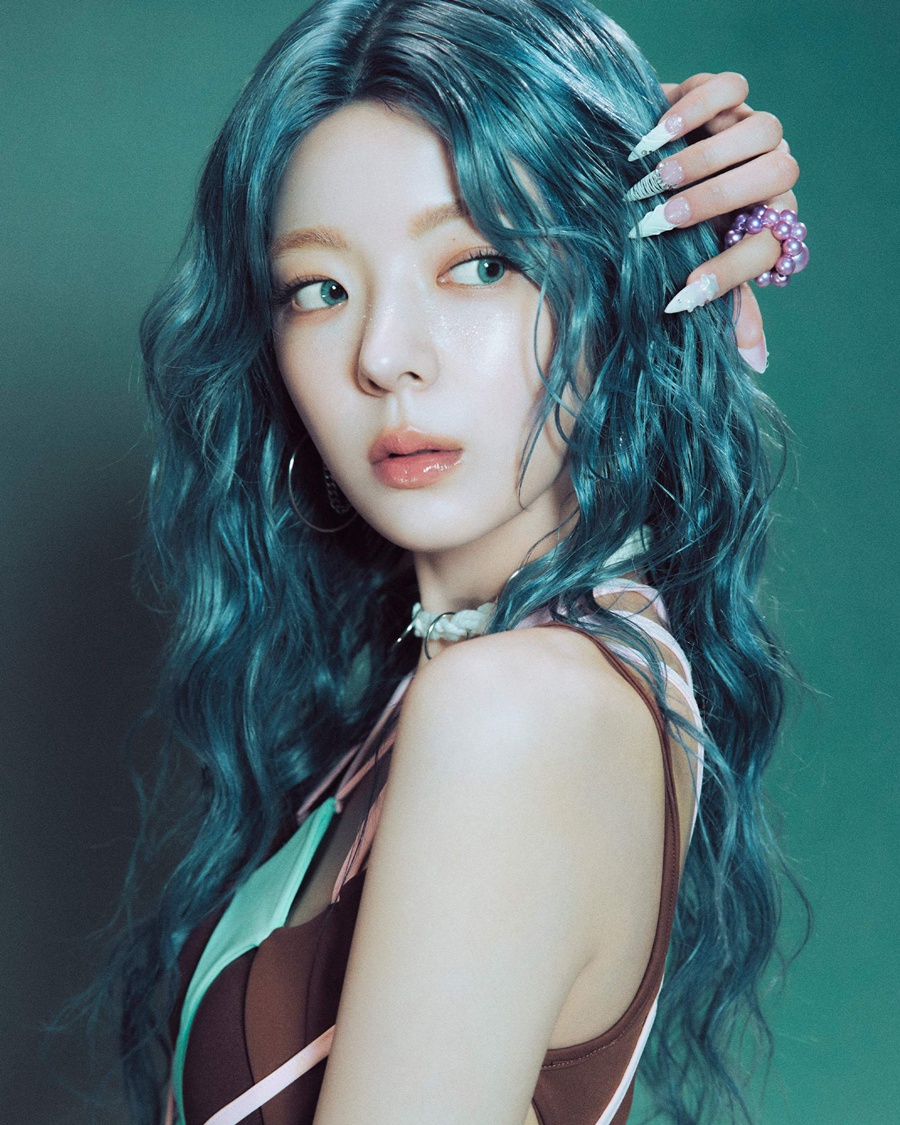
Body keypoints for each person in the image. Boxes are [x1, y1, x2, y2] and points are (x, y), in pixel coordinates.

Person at [90, 1, 805, 1122]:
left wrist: (647, 181)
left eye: (480, 264)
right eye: (319, 289)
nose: (384, 356)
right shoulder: (461, 675)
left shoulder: (513, 708)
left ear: (610, 288)